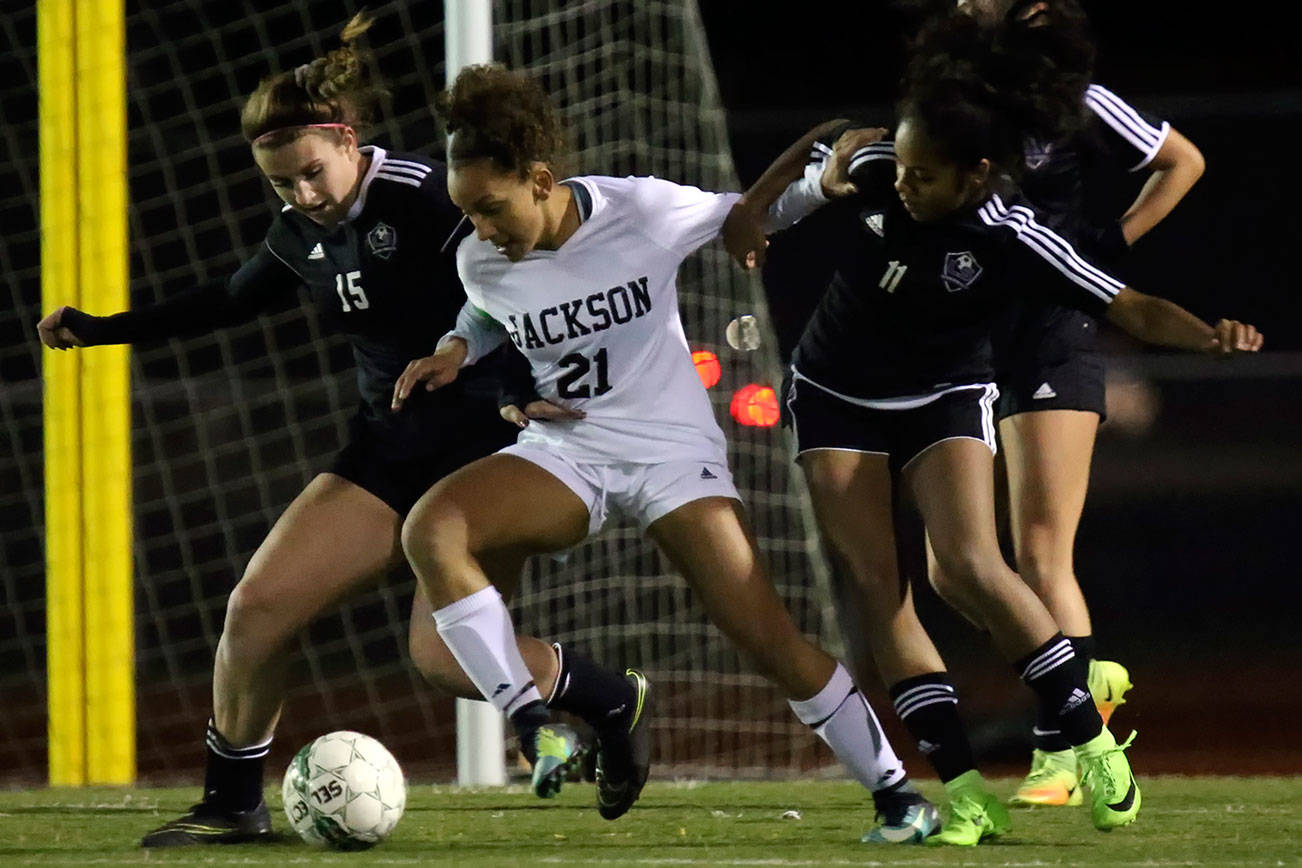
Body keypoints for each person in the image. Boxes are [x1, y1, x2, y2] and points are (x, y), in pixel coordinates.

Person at [37, 13, 636, 846]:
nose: (303, 196)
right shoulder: (297, 232)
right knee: (258, 606)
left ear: (350, 142)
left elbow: (531, 267)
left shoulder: (427, 197)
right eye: (283, 184)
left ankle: (607, 697)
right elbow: (225, 303)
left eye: (312, 174)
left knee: (439, 657)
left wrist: (548, 381)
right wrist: (99, 328)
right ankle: (233, 804)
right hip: (385, 449)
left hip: (486, 449)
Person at [723, 13, 1261, 846]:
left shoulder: (1014, 234)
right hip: (834, 396)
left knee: (972, 566)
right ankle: (967, 794)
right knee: (879, 593)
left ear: (976, 175)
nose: (903, 184)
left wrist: (1211, 335)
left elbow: (1130, 305)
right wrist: (761, 208)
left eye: (924, 176)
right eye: (899, 166)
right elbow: (816, 155)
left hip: (943, 393)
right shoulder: (877, 169)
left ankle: (1088, 741)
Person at [390, 62, 938, 843]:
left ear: (540, 179)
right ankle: (536, 724)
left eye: (490, 207)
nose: (479, 228)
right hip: (566, 452)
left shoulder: (641, 209)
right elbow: (484, 307)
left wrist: (824, 183)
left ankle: (896, 795)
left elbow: (748, 215)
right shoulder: (481, 257)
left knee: (765, 635)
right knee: (430, 528)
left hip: (671, 454)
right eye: (466, 212)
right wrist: (455, 346)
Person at [950, 0, 1208, 808]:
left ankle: (1062, 754)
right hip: (965, 342)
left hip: (1052, 337)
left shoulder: (1079, 99)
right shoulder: (949, 95)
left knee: (1038, 554)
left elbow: (1184, 161)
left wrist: (1107, 250)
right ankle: (1087, 677)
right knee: (958, 564)